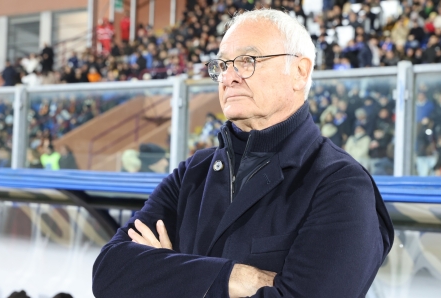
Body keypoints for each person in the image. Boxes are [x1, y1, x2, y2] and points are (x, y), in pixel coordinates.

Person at [93, 9, 393, 298]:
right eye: (222, 65)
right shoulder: (193, 173)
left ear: (300, 72)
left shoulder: (341, 184)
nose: (229, 76)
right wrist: (236, 277)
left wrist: (169, 275)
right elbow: (109, 273)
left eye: (248, 60)